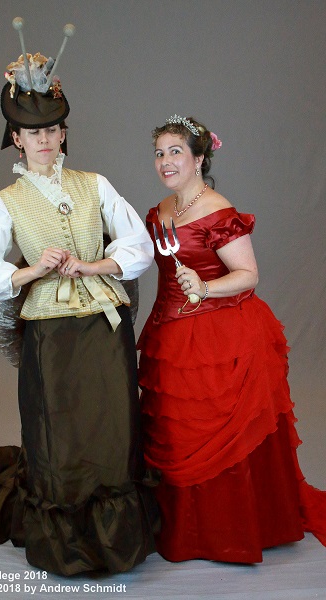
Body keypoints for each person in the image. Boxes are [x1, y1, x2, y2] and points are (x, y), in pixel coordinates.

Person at [0, 50, 159, 576]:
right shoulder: (5, 202)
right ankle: (69, 544)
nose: (46, 141)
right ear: (16, 139)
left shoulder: (94, 183)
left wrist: (95, 263)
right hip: (51, 336)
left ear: (63, 132)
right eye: (35, 134)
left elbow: (139, 248)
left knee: (114, 426)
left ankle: (118, 540)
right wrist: (32, 271)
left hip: (106, 326)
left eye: (54, 130)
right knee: (60, 434)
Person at [137, 114, 326, 564]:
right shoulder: (161, 211)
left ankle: (225, 530)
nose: (165, 162)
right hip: (169, 334)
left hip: (221, 337)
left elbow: (248, 276)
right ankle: (184, 529)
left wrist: (204, 288)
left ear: (199, 158)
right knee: (173, 426)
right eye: (159, 153)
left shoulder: (217, 211)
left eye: (176, 152)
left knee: (217, 430)